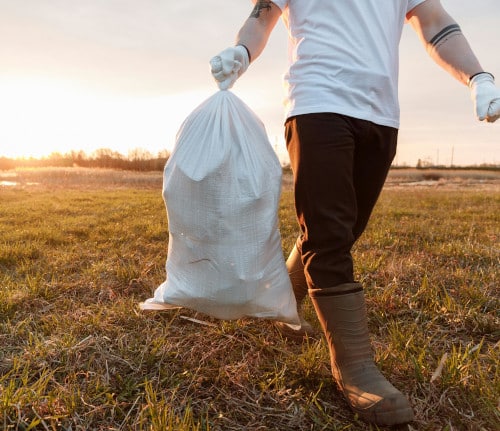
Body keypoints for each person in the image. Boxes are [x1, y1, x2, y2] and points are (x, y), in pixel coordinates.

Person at [210, 0, 500, 426]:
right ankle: (355, 368)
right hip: (316, 103)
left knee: (341, 228)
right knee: (328, 236)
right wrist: (242, 52)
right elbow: (263, 16)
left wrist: (479, 77)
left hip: (380, 113)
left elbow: (435, 22)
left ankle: (281, 299)